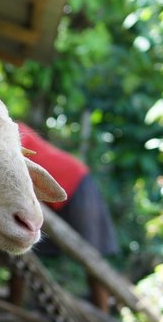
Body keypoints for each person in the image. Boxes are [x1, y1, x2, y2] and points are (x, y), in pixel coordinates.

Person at [18, 122, 119, 311]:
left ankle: (103, 312)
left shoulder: (9, 131)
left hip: (74, 183)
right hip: (51, 196)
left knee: (90, 254)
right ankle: (15, 307)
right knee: (20, 245)